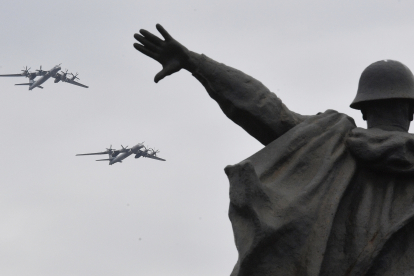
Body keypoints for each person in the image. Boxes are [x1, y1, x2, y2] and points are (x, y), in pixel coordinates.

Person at [134, 24, 414, 276]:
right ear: (410, 110)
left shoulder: (327, 141)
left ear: (363, 109)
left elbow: (263, 107)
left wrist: (194, 62)